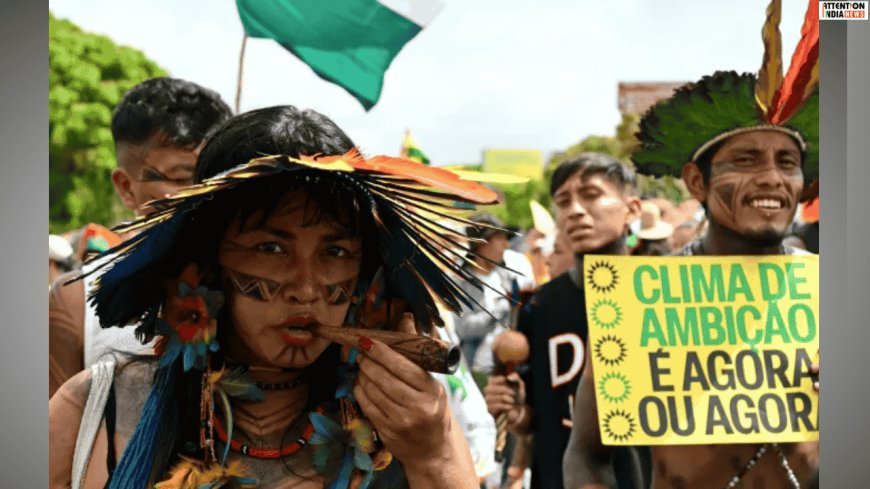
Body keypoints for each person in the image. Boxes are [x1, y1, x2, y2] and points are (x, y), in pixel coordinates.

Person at [49, 105, 504, 489]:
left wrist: (433, 455)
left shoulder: (410, 420)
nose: (306, 288)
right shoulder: (101, 405)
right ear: (206, 264)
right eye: (271, 248)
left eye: (335, 251)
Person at [563, 2, 820, 486]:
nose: (772, 178)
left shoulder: (839, 293)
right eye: (745, 160)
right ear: (696, 181)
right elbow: (586, 455)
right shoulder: (640, 299)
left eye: (787, 162)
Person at [49, 77, 233, 397]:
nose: (206, 196)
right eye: (181, 179)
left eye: (218, 178)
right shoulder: (78, 305)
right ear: (126, 188)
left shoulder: (261, 288)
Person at [483, 153, 642, 489]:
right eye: (563, 201)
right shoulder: (537, 306)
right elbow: (534, 420)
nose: (575, 210)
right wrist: (513, 410)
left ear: (632, 209)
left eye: (591, 195)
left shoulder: (665, 295)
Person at [454, 213, 536, 383]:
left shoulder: (506, 277)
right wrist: (498, 311)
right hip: (478, 372)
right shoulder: (461, 283)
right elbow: (464, 328)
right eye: (501, 239)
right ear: (482, 244)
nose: (507, 245)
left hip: (509, 368)